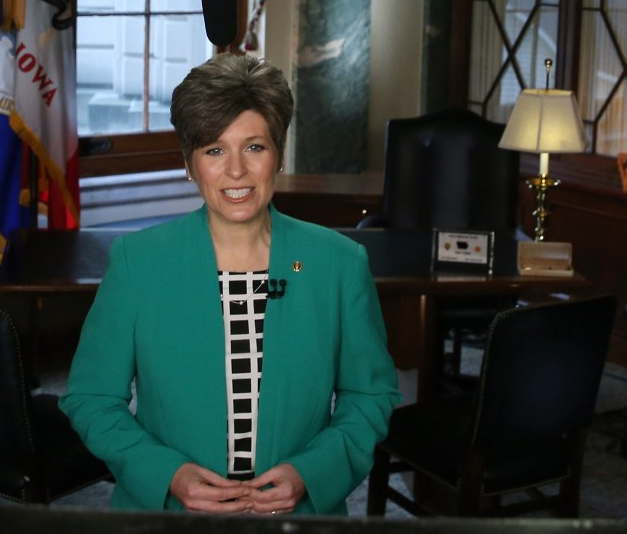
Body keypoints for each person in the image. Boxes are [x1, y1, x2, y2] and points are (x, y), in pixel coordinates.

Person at [59, 53, 401, 516]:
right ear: (189, 163)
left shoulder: (339, 263)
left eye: (254, 147)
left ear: (279, 156)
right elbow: (92, 398)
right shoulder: (137, 262)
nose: (236, 170)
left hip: (296, 518)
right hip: (169, 518)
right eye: (214, 150)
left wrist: (311, 472)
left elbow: (370, 395)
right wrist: (168, 474)